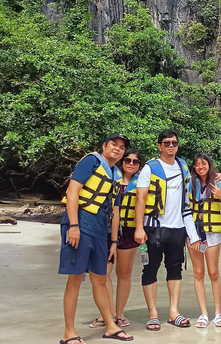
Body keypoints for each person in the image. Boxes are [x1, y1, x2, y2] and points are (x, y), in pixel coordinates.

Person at [59, 133, 133, 344]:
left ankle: (110, 326)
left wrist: (114, 242)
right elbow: (73, 192)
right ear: (104, 146)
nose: (118, 149)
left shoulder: (116, 174)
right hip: (80, 224)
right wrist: (73, 226)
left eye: (121, 147)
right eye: (114, 145)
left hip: (100, 230)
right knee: (75, 278)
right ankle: (69, 333)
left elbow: (115, 211)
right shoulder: (90, 161)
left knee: (100, 278)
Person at [133, 129, 201, 331]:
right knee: (150, 268)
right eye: (167, 143)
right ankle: (153, 314)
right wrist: (139, 228)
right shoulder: (150, 168)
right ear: (159, 145)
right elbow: (141, 199)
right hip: (154, 228)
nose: (171, 146)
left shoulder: (183, 166)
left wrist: (192, 234)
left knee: (175, 269)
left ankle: (174, 312)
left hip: (177, 228)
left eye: (174, 143)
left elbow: (187, 202)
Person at [88, 149, 141, 330]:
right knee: (104, 273)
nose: (131, 164)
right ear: (122, 161)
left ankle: (119, 314)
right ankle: (107, 313)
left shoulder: (142, 180)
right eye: (128, 160)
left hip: (130, 231)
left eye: (135, 161)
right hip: (107, 230)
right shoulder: (111, 175)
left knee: (124, 273)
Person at [188, 153, 221, 328]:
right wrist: (193, 237)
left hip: (212, 233)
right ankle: (203, 313)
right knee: (198, 273)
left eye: (203, 163)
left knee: (213, 272)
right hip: (194, 233)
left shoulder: (218, 182)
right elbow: (186, 210)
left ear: (209, 165)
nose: (200, 167)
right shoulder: (190, 184)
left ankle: (218, 312)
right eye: (197, 164)